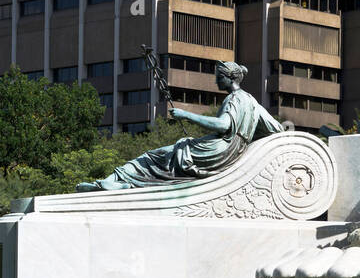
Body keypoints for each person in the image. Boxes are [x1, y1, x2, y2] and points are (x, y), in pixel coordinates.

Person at [76, 62, 284, 191]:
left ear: (229, 77)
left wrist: (186, 115)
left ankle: (116, 182)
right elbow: (277, 129)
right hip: (230, 151)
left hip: (217, 149)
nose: (216, 81)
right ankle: (117, 182)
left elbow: (223, 125)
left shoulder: (234, 99)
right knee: (165, 158)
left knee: (154, 156)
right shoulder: (252, 101)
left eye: (218, 77)